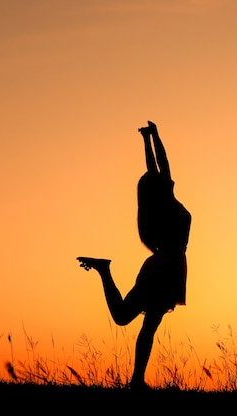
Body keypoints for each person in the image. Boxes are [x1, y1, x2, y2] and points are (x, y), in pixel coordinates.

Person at [77, 120, 191, 389]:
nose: (167, 178)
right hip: (170, 265)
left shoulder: (158, 205)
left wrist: (147, 138)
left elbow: (156, 167)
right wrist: (154, 136)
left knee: (128, 318)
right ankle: (137, 379)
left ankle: (137, 379)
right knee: (143, 323)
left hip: (161, 264)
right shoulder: (166, 201)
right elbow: (162, 164)